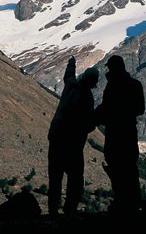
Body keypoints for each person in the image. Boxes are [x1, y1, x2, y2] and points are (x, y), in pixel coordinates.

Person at [47, 56, 99, 216]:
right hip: (72, 145)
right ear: (93, 82)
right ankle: (70, 209)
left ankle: (53, 211)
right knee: (75, 179)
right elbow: (88, 124)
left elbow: (68, 75)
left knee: (55, 178)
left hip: (56, 138)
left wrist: (72, 62)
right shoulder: (87, 97)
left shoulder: (70, 85)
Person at [95, 54, 145, 213]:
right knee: (130, 167)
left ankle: (121, 202)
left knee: (116, 167)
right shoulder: (135, 85)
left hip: (115, 133)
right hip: (129, 132)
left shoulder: (112, 86)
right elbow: (140, 109)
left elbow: (105, 108)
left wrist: (96, 117)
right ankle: (133, 203)